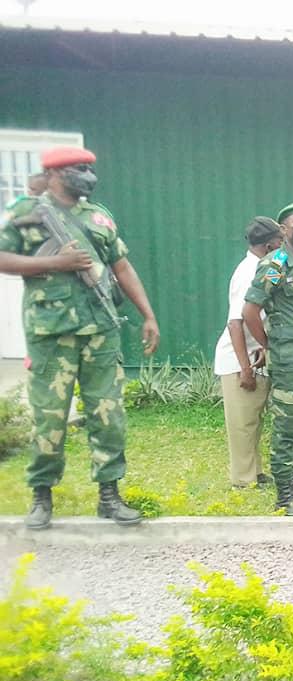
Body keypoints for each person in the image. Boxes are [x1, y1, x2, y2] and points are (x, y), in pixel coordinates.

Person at [0, 145, 160, 529]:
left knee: (108, 414)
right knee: (49, 418)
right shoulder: (27, 212)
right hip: (51, 332)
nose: (88, 175)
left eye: (90, 168)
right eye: (78, 169)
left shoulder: (97, 216)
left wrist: (147, 315)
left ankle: (109, 495)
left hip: (100, 330)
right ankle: (42, 497)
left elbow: (121, 265)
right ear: (54, 173)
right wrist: (55, 262)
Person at [242, 201, 293, 514]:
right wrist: (270, 344)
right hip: (289, 360)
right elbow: (250, 311)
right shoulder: (275, 264)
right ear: (284, 230)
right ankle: (285, 494)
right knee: (286, 427)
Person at [212, 215, 281, 488]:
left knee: (254, 420)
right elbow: (235, 322)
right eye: (279, 242)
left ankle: (256, 472)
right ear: (267, 246)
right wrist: (244, 368)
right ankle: (242, 479)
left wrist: (264, 347)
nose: (282, 247)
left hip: (257, 354)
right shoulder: (247, 272)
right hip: (238, 360)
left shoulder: (265, 267)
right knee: (242, 425)